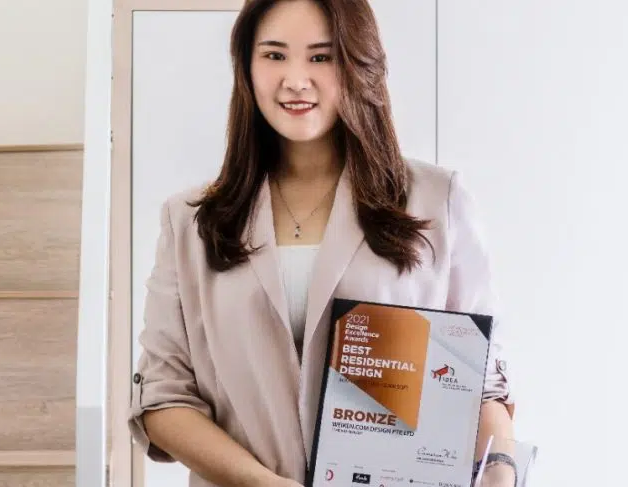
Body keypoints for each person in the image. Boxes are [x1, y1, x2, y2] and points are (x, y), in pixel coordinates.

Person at [127, 1, 516, 487]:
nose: (295, 80)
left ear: (358, 63)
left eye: (321, 57)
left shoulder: (438, 201)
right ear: (246, 67)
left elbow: (482, 384)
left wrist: (501, 471)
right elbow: (163, 397)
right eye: (274, 56)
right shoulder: (190, 221)